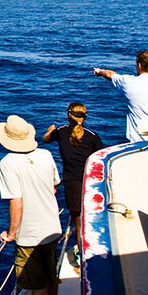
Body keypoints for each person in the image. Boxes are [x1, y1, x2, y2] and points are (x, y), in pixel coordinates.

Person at [0, 114, 66, 295]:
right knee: (50, 277)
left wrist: (11, 233)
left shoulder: (8, 163)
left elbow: (16, 201)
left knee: (37, 284)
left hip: (30, 234)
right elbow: (56, 185)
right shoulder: (45, 155)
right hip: (52, 227)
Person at [42, 102, 104, 250]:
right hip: (92, 182)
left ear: (69, 115)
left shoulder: (61, 132)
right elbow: (102, 158)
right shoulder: (93, 136)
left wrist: (51, 130)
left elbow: (45, 139)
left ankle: (82, 261)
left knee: (79, 223)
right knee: (92, 221)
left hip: (73, 184)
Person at [93, 50, 148, 142]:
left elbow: (110, 74)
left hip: (140, 141)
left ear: (139, 65)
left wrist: (99, 72)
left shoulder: (128, 82)